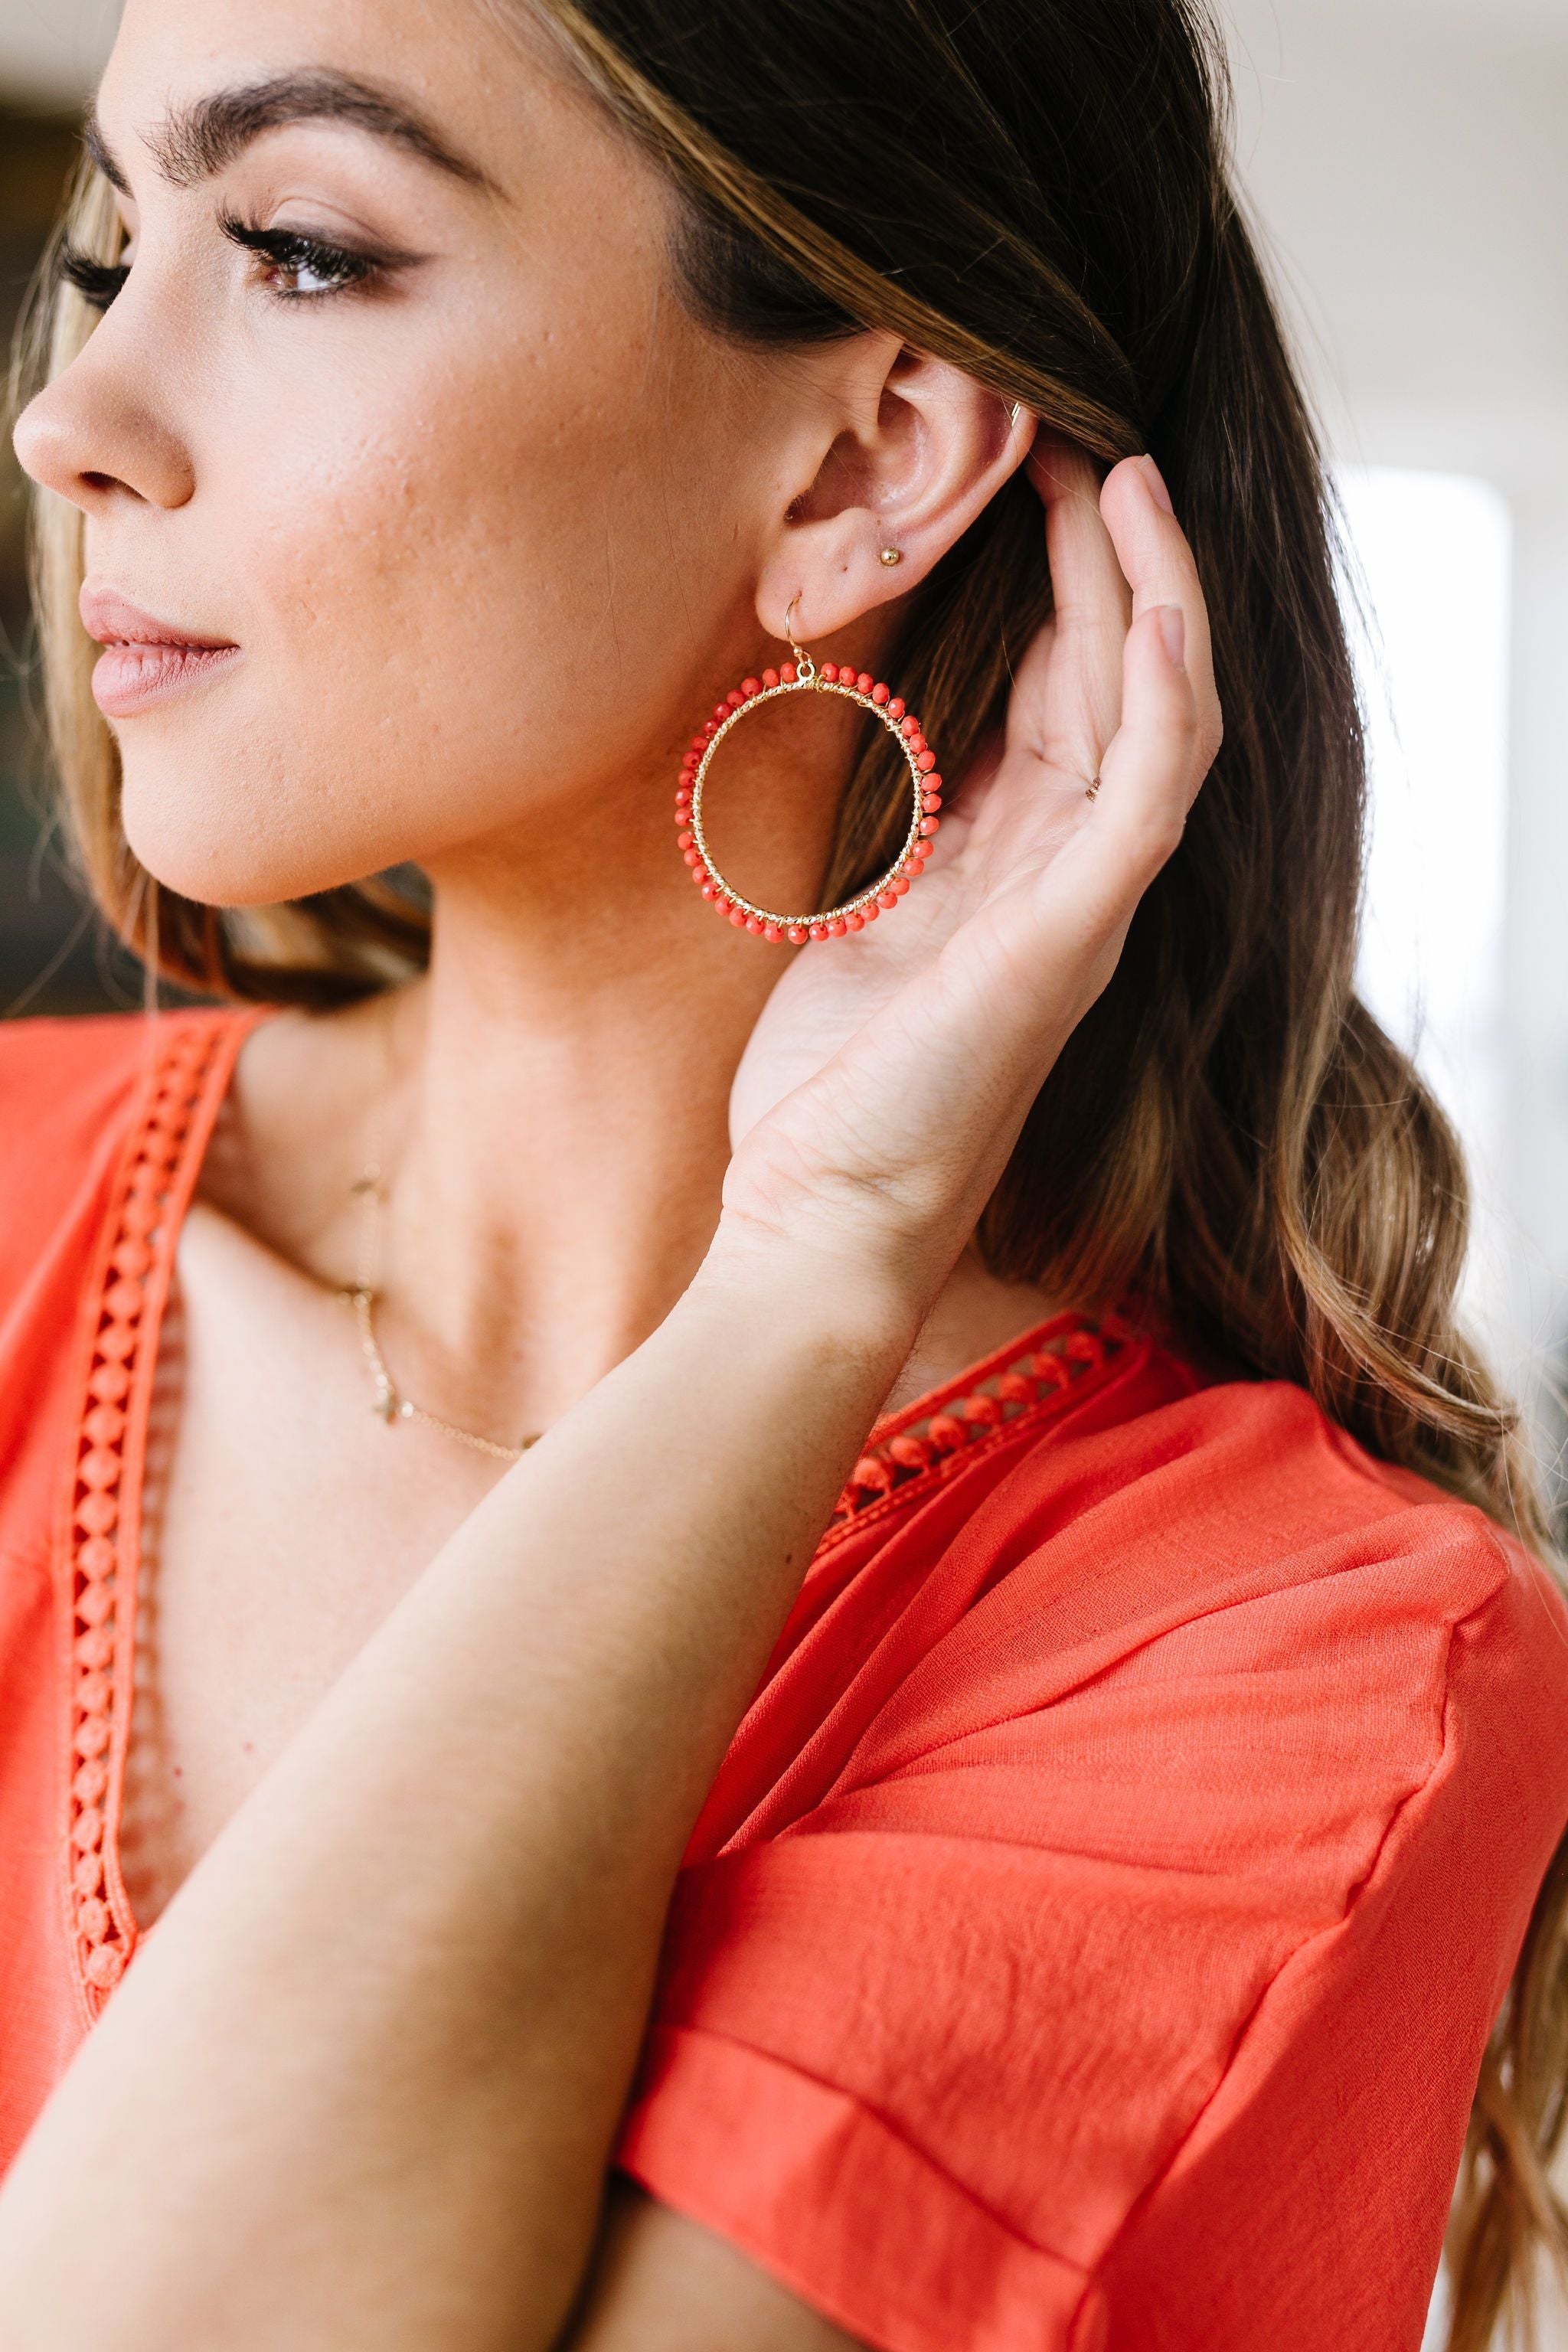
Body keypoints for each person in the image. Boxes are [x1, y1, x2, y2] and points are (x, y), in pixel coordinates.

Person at [1, 0, 1564, 2346]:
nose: (73, 417)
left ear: (860, 468)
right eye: (123, 250)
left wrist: (806, 1271)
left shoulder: (1286, 1654)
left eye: (306, 249)